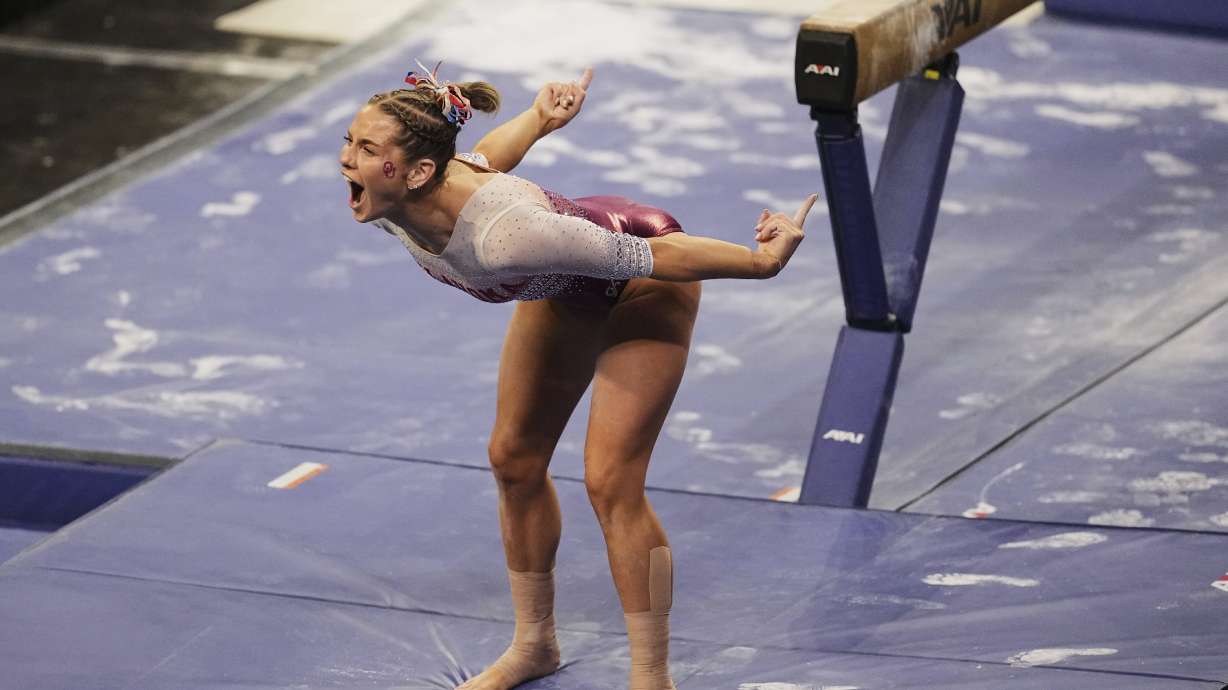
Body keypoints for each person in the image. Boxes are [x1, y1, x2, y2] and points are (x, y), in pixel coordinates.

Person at [339, 61, 816, 690]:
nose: (347, 159)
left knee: (610, 480)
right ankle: (535, 645)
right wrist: (538, 119)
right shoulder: (406, 196)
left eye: (367, 149)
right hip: (566, 281)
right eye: (348, 142)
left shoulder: (510, 237)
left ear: (419, 170)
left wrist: (759, 263)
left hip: (642, 280)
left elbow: (658, 255)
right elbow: (481, 160)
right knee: (513, 459)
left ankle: (652, 679)